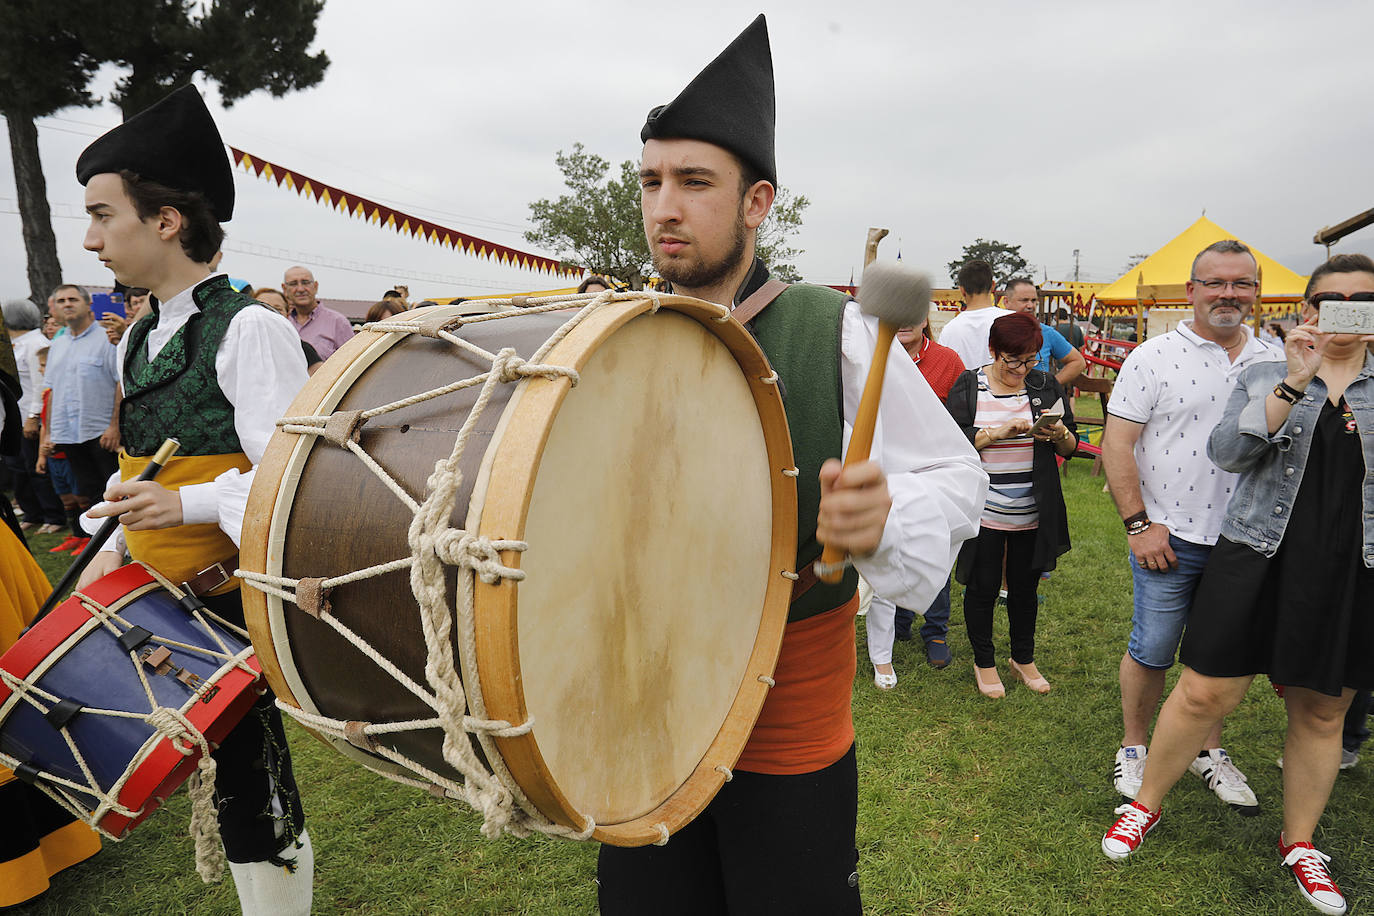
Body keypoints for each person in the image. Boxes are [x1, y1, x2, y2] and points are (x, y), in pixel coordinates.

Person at [595, 17, 985, 914]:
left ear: (758, 201)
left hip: (788, 707)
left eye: (695, 182)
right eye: (652, 181)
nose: (665, 206)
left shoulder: (831, 330)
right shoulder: (609, 338)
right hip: (638, 697)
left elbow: (955, 480)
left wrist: (883, 520)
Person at [73, 84, 314, 915]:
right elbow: (150, 464)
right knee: (217, 782)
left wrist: (188, 506)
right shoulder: (140, 333)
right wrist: (124, 506)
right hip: (153, 592)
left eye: (105, 215)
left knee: (252, 786)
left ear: (166, 221)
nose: (91, 237)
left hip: (225, 593)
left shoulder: (250, 329)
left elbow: (295, 481)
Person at [1101, 253, 1374, 916]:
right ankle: (1146, 804)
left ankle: (1300, 842)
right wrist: (1295, 381)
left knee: (1323, 709)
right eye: (1330, 298)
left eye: (1360, 300)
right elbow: (1229, 452)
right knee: (1202, 693)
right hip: (1254, 551)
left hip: (1349, 566)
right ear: (1309, 308)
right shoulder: (1264, 371)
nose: (1343, 310)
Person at [1100, 239, 1282, 814]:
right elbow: (1117, 443)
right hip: (1169, 535)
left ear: (1256, 292)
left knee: (1219, 655)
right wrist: (1138, 525)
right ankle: (1134, 746)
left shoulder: (1275, 360)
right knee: (1152, 649)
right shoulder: (1151, 357)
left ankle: (1209, 750)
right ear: (1192, 291)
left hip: (1245, 540)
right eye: (1216, 283)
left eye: (1242, 284)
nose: (1229, 294)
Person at [945, 311, 1077, 698]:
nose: (1022, 369)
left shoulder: (1043, 384)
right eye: (1013, 360)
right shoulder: (970, 385)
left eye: (1031, 359)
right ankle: (984, 661)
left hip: (1032, 509)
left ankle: (1023, 657)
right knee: (983, 587)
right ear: (993, 351)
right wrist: (994, 433)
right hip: (984, 509)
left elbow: (1069, 449)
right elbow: (951, 443)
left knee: (1025, 587)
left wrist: (1060, 433)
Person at [867, 315, 966, 683]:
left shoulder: (948, 361)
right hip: (887, 467)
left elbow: (960, 420)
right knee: (887, 543)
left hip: (932, 471)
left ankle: (935, 630)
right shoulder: (872, 356)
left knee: (935, 541)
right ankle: (895, 626)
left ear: (926, 319)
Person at [38, 283, 120, 552]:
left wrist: (114, 426)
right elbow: (52, 391)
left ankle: (121, 543)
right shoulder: (58, 344)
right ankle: (100, 544)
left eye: (73, 299)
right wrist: (49, 433)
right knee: (86, 490)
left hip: (100, 431)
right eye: (61, 300)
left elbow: (119, 384)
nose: (67, 304)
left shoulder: (106, 339)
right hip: (68, 431)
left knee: (113, 489)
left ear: (88, 306)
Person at [2, 298, 64, 533]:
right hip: (13, 416)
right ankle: (32, 512)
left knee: (35, 470)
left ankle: (53, 515)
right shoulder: (15, 342)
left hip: (28, 415)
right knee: (18, 469)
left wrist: (33, 417)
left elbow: (40, 384)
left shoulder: (35, 343)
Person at [1003, 279, 1086, 385]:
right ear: (1006, 302)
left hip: (1036, 399)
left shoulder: (1045, 332)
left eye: (1033, 301)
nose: (1030, 306)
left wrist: (1051, 386)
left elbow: (1078, 362)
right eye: (1024, 300)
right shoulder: (993, 330)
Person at [935, 259, 1009, 370]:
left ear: (962, 290)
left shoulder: (949, 330)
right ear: (993, 286)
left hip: (963, 386)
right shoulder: (1010, 320)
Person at [282, 265, 353, 359]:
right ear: (284, 289)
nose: (300, 289)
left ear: (315, 286)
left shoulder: (338, 322)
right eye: (293, 284)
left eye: (305, 283)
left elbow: (352, 360)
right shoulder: (283, 322)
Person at [254, 287, 322, 373]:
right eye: (263, 308)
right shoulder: (241, 345)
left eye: (277, 309)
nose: (270, 314)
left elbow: (321, 380)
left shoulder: (302, 349)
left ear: (287, 314)